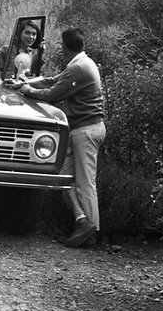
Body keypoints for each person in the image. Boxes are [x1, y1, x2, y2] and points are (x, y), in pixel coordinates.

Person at [18, 28, 105, 248]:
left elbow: (52, 93)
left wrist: (27, 90)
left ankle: (92, 232)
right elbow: (51, 80)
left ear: (64, 47)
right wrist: (23, 84)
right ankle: (82, 222)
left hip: (86, 129)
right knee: (64, 176)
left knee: (85, 183)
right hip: (82, 128)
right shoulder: (82, 63)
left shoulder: (79, 67)